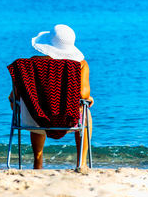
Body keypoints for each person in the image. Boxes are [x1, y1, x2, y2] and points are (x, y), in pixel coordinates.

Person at [9, 24, 94, 169]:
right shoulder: (80, 65)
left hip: (34, 120)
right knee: (87, 114)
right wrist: (89, 98)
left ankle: (38, 163)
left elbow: (16, 94)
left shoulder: (30, 65)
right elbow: (83, 94)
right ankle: (82, 163)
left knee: (35, 105)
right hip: (67, 119)